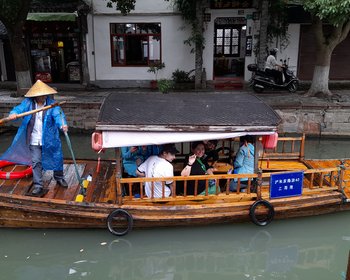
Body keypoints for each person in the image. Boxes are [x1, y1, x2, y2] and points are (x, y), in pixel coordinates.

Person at [4, 80, 68, 195]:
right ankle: (38, 185)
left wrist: (62, 124)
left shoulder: (52, 104)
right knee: (36, 161)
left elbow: (58, 115)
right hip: (34, 139)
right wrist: (13, 114)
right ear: (36, 95)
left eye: (45, 93)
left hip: (50, 139)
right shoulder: (28, 103)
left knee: (57, 157)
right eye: (41, 94)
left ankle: (59, 177)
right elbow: (19, 109)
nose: (44, 96)